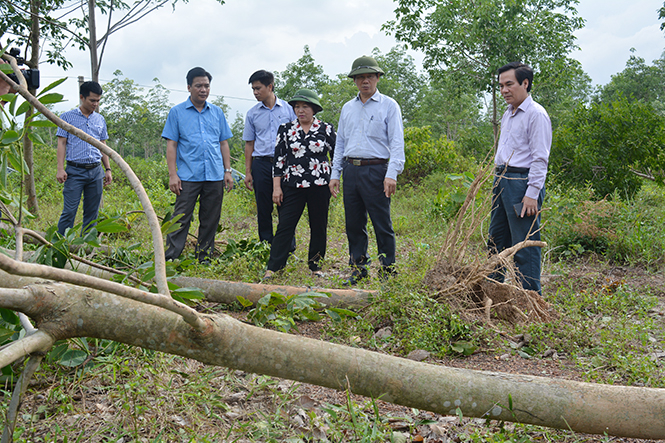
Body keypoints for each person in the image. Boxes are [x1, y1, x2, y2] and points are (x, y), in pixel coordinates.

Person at [329, 55, 405, 285]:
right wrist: (335, 174)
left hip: (377, 170)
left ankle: (387, 270)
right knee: (353, 223)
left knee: (381, 222)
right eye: (360, 77)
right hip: (351, 169)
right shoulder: (347, 108)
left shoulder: (389, 106)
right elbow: (340, 142)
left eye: (369, 76)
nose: (365, 81)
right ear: (354, 81)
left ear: (378, 78)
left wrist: (391, 173)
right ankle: (359, 269)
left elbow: (397, 142)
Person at [488, 62, 551, 294]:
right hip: (502, 181)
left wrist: (531, 194)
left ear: (525, 83)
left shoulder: (536, 115)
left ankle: (532, 299)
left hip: (521, 184)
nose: (504, 90)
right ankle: (492, 291)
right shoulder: (508, 113)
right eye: (501, 86)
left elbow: (539, 159)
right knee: (496, 240)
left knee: (525, 245)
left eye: (509, 84)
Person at [162, 67, 234, 263]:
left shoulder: (217, 112)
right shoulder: (177, 112)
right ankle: (171, 258)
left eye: (207, 86)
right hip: (188, 176)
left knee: (210, 219)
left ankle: (204, 257)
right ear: (189, 87)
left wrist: (227, 171)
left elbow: (223, 143)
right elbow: (172, 144)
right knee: (180, 217)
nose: (203, 90)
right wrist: (172, 174)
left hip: (214, 175)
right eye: (199, 86)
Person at [264, 89, 336, 279]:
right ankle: (274, 267)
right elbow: (279, 160)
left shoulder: (326, 129)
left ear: (314, 109)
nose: (300, 110)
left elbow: (336, 156)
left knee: (318, 225)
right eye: (297, 107)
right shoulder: (286, 129)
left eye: (305, 106)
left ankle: (316, 266)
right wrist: (277, 187)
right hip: (292, 185)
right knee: (285, 225)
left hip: (319, 185)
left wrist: (334, 179)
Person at [243, 70, 297, 246]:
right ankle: (266, 246)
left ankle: (287, 247)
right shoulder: (252, 114)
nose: (255, 92)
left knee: (286, 207)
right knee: (264, 207)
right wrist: (248, 172)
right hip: (262, 165)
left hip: (286, 166)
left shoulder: (289, 110)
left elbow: (297, 137)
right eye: (253, 89)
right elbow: (249, 144)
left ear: (270, 86)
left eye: (258, 88)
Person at [56, 81, 112, 235]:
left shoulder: (100, 119)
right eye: (92, 100)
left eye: (98, 101)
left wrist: (107, 169)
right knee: (69, 212)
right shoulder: (67, 117)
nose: (95, 104)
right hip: (74, 171)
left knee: (92, 213)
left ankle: (85, 248)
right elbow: (61, 143)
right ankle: (60, 245)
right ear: (82, 97)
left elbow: (103, 145)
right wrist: (60, 169)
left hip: (95, 171)